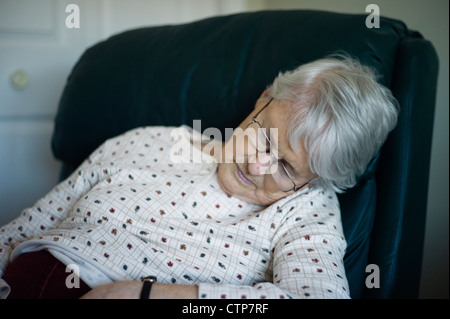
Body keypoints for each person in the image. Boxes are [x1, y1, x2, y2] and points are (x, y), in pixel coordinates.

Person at [0, 55, 398, 299]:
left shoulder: (307, 208)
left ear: (314, 179)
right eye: (263, 136)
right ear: (263, 99)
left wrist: (147, 295)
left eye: (285, 167)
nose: (256, 165)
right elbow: (29, 225)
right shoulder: (146, 139)